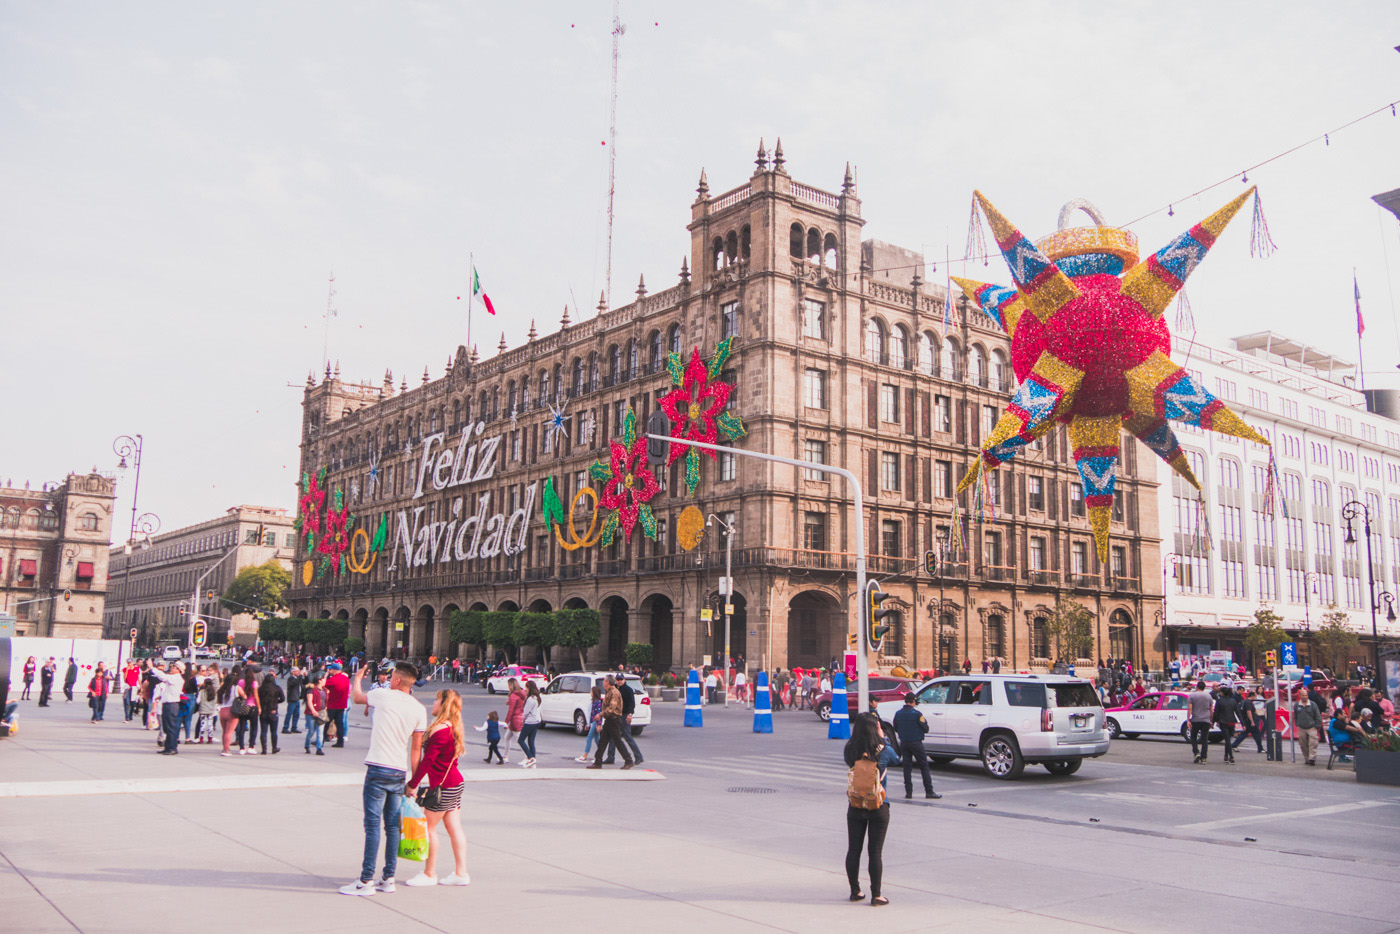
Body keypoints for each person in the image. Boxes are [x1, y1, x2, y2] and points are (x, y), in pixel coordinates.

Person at [339, 662, 427, 897]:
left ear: (398, 680)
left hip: (378, 768)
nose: (389, 680)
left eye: (392, 677)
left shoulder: (382, 695)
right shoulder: (419, 709)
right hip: (399, 772)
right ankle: (388, 878)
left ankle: (366, 880)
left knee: (372, 826)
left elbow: (357, 698)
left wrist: (357, 678)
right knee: (392, 827)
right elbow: (416, 749)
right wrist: (414, 782)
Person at [405, 690, 470, 886]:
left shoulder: (440, 729)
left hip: (443, 786)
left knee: (429, 828)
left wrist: (412, 784)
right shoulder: (453, 727)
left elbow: (427, 761)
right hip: (455, 783)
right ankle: (461, 873)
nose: (433, 703)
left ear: (443, 705)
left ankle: (429, 874)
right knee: (454, 828)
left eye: (436, 700)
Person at [843, 712, 898, 906]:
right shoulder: (883, 750)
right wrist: (883, 738)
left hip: (856, 804)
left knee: (854, 850)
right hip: (879, 804)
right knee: (875, 852)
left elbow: (849, 762)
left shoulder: (850, 748)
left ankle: (855, 891)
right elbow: (896, 759)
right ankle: (876, 895)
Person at [892, 694, 940, 799]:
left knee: (907, 768)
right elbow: (926, 728)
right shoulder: (917, 714)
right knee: (924, 767)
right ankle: (929, 791)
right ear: (914, 701)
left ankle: (908, 793)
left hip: (904, 743)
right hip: (916, 743)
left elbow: (896, 728)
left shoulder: (898, 714)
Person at [587, 675, 634, 770]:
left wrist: (600, 715)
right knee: (602, 742)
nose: (603, 682)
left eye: (604, 681)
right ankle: (598, 762)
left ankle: (628, 760)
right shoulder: (610, 692)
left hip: (614, 719)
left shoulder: (614, 692)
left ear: (608, 682)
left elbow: (611, 708)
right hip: (609, 720)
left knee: (617, 741)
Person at [602, 675, 644, 765]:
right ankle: (610, 757)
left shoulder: (628, 690)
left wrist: (630, 714)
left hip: (624, 716)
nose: (619, 681)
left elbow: (632, 704)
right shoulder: (615, 690)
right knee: (613, 736)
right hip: (616, 716)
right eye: (618, 679)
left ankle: (638, 756)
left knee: (627, 736)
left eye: (621, 679)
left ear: (624, 680)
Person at [150, 662, 185, 755]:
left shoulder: (176, 678)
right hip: (167, 703)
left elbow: (163, 677)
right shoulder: (173, 678)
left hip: (172, 704)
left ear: (178, 670)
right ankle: (168, 746)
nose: (171, 669)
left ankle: (172, 747)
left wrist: (152, 668)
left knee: (171, 727)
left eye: (173, 667)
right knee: (167, 727)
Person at [1293, 687, 1322, 766]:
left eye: (1306, 695)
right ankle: (1307, 758)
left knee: (1313, 743)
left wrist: (1317, 725)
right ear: (1300, 696)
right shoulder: (1296, 705)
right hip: (1301, 727)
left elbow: (1317, 715)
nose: (1305, 697)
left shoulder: (1313, 705)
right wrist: (1297, 723)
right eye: (1303, 695)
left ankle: (1312, 759)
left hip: (1311, 727)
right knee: (1303, 744)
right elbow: (1295, 715)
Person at [517, 680, 542, 768]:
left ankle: (530, 757)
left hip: (530, 722)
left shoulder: (530, 699)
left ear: (529, 688)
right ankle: (533, 758)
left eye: (526, 687)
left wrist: (522, 720)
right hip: (537, 721)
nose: (525, 689)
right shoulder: (537, 697)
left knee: (520, 740)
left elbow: (525, 712)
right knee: (531, 741)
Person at [258, 671, 284, 754]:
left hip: (263, 711)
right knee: (273, 731)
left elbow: (258, 698)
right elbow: (282, 698)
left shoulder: (261, 689)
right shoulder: (277, 688)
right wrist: (276, 701)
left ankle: (264, 749)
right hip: (273, 710)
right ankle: (274, 747)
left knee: (263, 731)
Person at [235, 669, 261, 755]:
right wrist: (259, 707)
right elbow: (256, 696)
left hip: (243, 706)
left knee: (242, 727)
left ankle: (242, 747)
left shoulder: (240, 682)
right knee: (254, 727)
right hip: (252, 706)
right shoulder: (254, 683)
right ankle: (251, 746)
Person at [1187, 681, 1213, 764]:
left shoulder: (1192, 696)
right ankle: (1204, 758)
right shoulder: (1209, 696)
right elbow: (1211, 709)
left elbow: (1190, 709)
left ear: (1197, 687)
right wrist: (1211, 720)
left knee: (1193, 737)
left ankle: (1196, 752)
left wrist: (1188, 719)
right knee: (1205, 739)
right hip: (1206, 720)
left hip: (1196, 719)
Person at [325, 663, 351, 748]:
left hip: (332, 704)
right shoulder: (345, 678)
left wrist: (326, 675)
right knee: (339, 723)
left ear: (335, 670)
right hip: (342, 704)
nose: (330, 671)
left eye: (331, 670)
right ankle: (340, 741)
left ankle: (321, 739)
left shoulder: (333, 679)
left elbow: (323, 684)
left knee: (326, 722)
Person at [575, 687, 603, 763]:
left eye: (591, 691)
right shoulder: (593, 702)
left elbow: (598, 714)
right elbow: (591, 713)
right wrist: (588, 724)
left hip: (595, 722)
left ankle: (585, 755)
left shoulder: (597, 703)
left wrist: (599, 724)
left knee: (589, 738)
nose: (590, 693)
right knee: (597, 740)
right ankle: (600, 755)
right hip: (593, 722)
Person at [1213, 686, 1240, 764]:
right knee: (1228, 739)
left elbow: (1216, 713)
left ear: (1222, 693)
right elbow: (1237, 712)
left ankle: (1230, 756)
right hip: (1232, 721)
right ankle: (1226, 755)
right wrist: (1242, 722)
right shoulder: (1233, 701)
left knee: (1227, 740)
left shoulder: (1220, 701)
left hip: (1223, 721)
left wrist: (1214, 721)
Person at [1232, 689, 1264, 754]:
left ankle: (1234, 745)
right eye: (1255, 696)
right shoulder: (1248, 703)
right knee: (1256, 734)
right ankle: (1260, 748)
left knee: (1247, 734)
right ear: (1252, 696)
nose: (1256, 698)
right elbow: (1249, 712)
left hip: (1246, 720)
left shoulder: (1244, 701)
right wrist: (1252, 721)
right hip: (1249, 721)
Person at [304, 671, 328, 755]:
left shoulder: (325, 690)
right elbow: (309, 701)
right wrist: (313, 711)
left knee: (320, 731)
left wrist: (325, 708)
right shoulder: (311, 690)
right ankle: (307, 745)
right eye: (324, 680)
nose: (325, 681)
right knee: (311, 731)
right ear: (319, 681)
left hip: (321, 712)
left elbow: (325, 701)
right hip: (311, 713)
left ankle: (319, 748)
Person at [502, 678, 525, 764]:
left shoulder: (513, 696)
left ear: (511, 685)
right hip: (520, 717)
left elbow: (511, 710)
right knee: (507, 737)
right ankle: (505, 756)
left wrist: (505, 722)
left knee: (519, 740)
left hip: (514, 719)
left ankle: (528, 756)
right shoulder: (521, 693)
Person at [283, 667, 304, 734]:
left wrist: (304, 676)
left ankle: (294, 727)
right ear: (293, 672)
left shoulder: (298, 678)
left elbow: (302, 684)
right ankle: (285, 727)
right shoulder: (291, 679)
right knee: (289, 713)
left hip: (297, 698)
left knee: (296, 714)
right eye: (297, 671)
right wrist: (300, 676)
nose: (298, 672)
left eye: (298, 671)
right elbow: (294, 683)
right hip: (292, 698)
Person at [196, 678, 218, 744]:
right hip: (211, 710)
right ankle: (210, 738)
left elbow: (198, 701)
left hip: (203, 709)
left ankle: (201, 738)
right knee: (210, 724)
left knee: (203, 724)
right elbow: (216, 701)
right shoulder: (214, 692)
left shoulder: (201, 691)